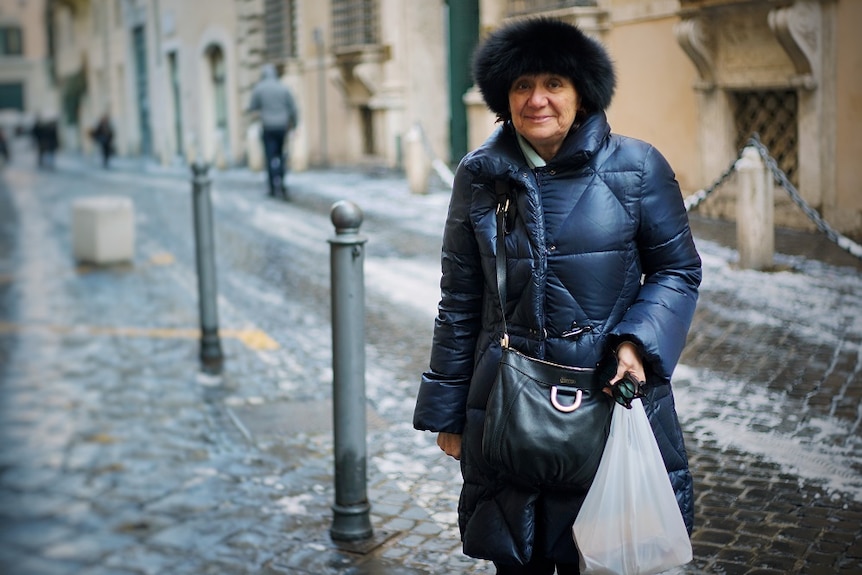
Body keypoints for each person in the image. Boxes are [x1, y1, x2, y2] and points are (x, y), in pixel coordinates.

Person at [412, 18, 702, 574]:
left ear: (581, 92)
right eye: (522, 86)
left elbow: (677, 268)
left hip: (602, 397)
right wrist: (449, 414)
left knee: (595, 556)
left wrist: (636, 343)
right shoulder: (480, 175)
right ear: (503, 97)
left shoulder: (637, 167)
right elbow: (459, 299)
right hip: (505, 404)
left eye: (553, 84)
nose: (537, 99)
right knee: (516, 558)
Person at [247, 63, 299, 199]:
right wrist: (295, 125)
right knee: (282, 156)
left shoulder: (259, 88)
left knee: (270, 157)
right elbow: (293, 108)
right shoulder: (283, 88)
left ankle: (271, 187)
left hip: (268, 127)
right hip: (282, 127)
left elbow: (252, 107)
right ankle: (281, 184)